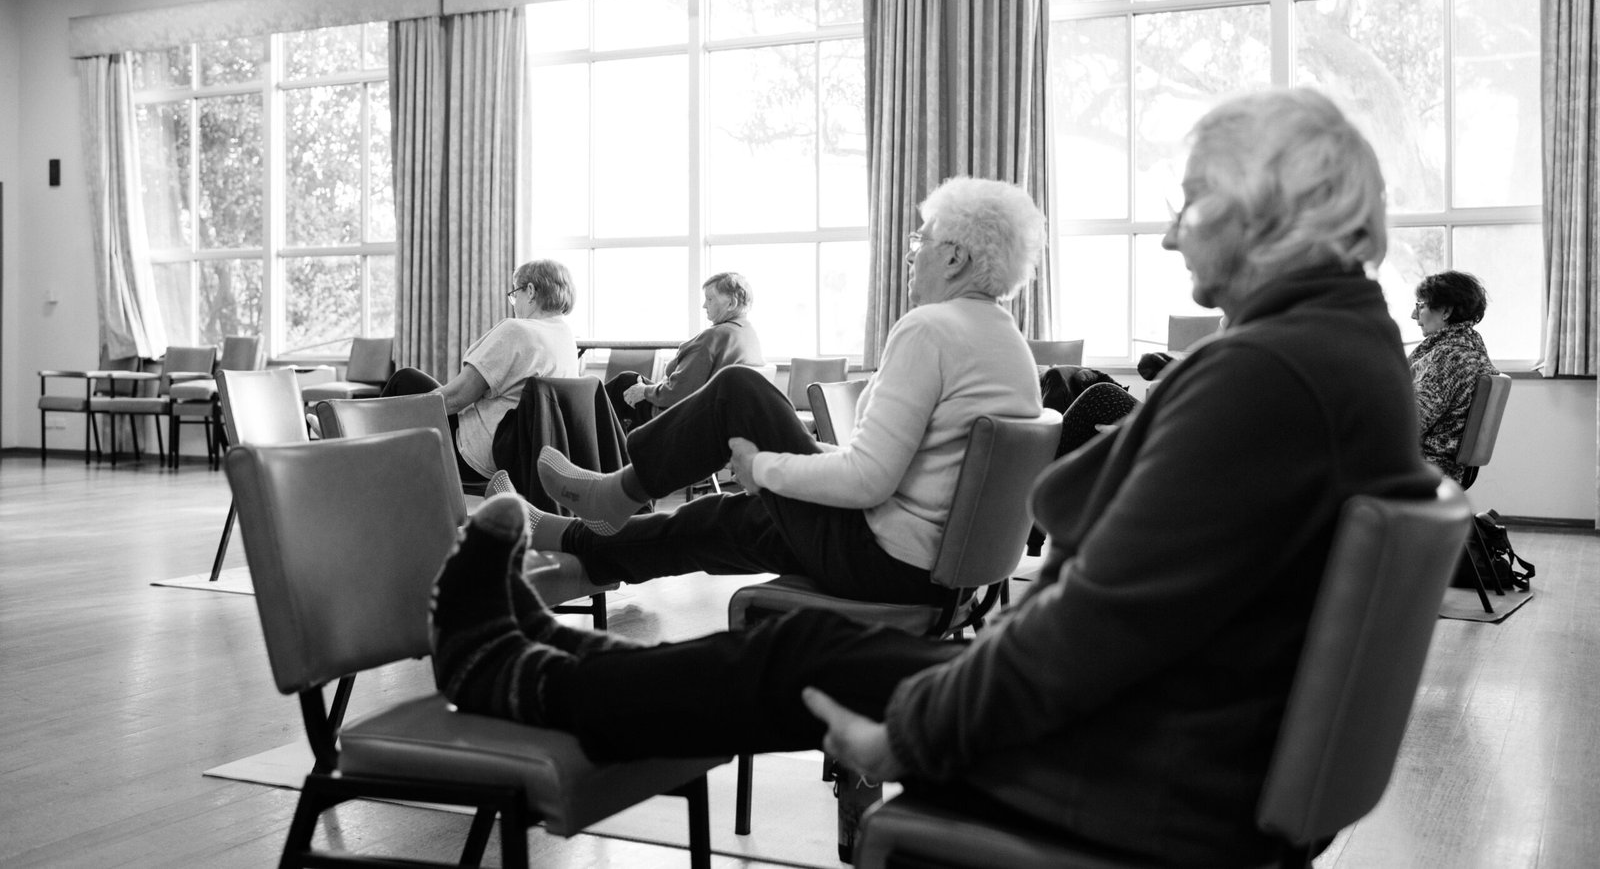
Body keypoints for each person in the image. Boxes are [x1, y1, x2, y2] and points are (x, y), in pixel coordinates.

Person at [431, 87, 1439, 867]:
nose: (1173, 232)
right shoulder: (1342, 350)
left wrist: (913, 731)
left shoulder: (1268, 372)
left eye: (1190, 200)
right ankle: (555, 656)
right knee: (805, 636)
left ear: (1268, 210)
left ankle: (533, 667)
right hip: (1181, 745)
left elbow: (1098, 618)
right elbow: (1115, 587)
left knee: (793, 650)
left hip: (1143, 771)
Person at [522, 176, 1045, 606]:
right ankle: (580, 550)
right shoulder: (1007, 343)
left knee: (738, 389)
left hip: (885, 560)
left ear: (954, 258)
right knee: (724, 520)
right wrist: (799, 457)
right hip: (929, 569)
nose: (911, 257)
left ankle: (616, 493)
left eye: (920, 242)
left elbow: (868, 481)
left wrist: (762, 468)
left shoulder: (931, 328)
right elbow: (898, 468)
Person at [382, 259, 579, 486]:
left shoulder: (517, 330)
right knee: (411, 401)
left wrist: (396, 413)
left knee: (405, 380)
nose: (514, 304)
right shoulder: (565, 336)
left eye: (515, 294)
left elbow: (455, 399)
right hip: (523, 459)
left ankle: (357, 457)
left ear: (531, 291)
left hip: (478, 457)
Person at [604, 271, 764, 431]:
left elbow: (679, 393)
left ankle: (590, 447)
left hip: (683, 415)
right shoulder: (748, 334)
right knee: (629, 384)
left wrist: (645, 391)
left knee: (622, 385)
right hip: (716, 414)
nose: (704, 305)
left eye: (710, 299)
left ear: (732, 304)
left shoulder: (714, 337)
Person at [1409, 270, 1497, 482]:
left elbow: (1410, 423)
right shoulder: (1469, 346)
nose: (1414, 315)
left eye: (1420, 305)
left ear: (1446, 311)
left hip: (1426, 466)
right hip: (1441, 465)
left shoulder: (1450, 357)